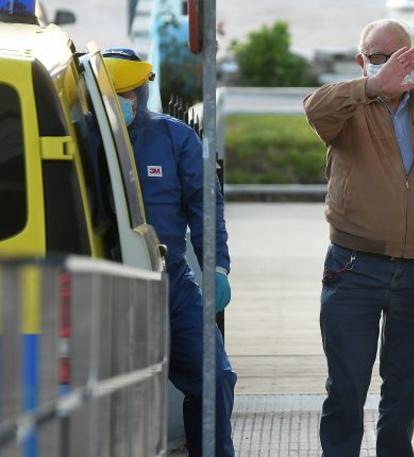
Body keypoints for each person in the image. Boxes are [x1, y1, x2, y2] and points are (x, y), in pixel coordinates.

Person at [303, 19, 414, 457]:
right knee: (346, 385)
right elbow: (313, 109)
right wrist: (372, 85)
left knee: (403, 389)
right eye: (375, 58)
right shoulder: (345, 109)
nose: (386, 67)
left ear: (413, 57)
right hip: (354, 266)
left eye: (396, 56)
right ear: (361, 61)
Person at [102, 48, 237, 457]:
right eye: (116, 91)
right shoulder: (84, 137)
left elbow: (205, 207)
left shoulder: (175, 137)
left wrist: (216, 267)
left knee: (214, 377)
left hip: (170, 281)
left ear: (145, 86)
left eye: (131, 91)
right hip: (104, 285)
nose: (127, 101)